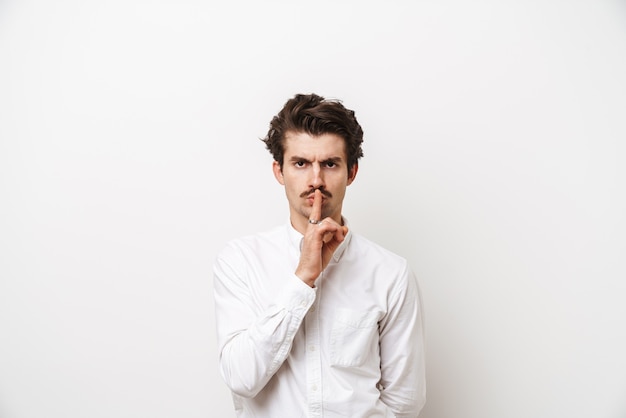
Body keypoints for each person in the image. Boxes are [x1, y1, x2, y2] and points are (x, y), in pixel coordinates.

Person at [213, 93, 426, 417]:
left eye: (330, 164)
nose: (316, 181)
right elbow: (241, 378)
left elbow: (405, 401)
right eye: (300, 163)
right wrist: (303, 278)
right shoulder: (241, 261)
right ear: (279, 171)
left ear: (351, 172)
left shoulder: (390, 273)